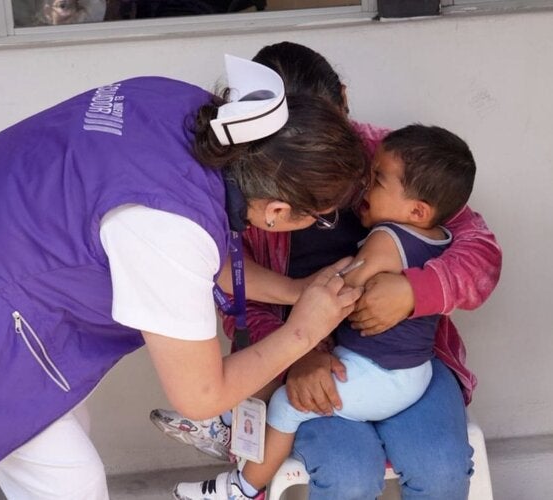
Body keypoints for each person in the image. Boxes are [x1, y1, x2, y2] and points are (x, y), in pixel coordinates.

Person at [0, 55, 370, 499]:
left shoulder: (188, 110)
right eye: (320, 216)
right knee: (72, 482)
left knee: (64, 426)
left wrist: (295, 290)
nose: (322, 225)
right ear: (278, 211)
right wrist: (302, 330)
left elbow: (202, 249)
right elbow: (200, 397)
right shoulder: (166, 227)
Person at [151, 42, 502, 499]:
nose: (312, 158)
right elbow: (240, 293)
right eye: (292, 141)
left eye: (323, 133)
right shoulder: (254, 189)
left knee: (441, 468)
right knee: (349, 474)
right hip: (310, 366)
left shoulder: (395, 161)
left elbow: (480, 254)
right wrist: (297, 353)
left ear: (343, 99)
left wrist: (416, 291)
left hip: (411, 360)